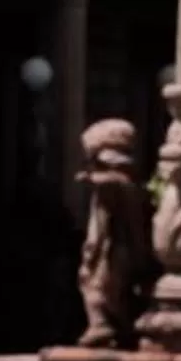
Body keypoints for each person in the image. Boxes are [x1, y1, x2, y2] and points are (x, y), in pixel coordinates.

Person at [75, 118, 152, 348]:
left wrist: (93, 178)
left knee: (102, 286)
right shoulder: (124, 186)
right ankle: (104, 325)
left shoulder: (120, 184)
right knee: (93, 282)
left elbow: (109, 183)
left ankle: (104, 325)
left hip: (114, 249)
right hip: (104, 248)